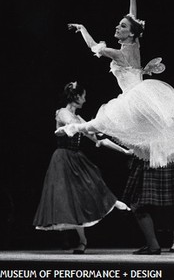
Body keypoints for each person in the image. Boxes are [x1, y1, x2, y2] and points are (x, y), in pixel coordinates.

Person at [57, 0, 174, 167]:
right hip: (143, 92)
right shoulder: (135, 45)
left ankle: (75, 127)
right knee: (168, 110)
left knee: (102, 122)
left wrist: (83, 28)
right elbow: (132, 18)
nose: (118, 27)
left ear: (131, 33)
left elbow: (93, 46)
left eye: (122, 26)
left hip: (133, 98)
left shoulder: (118, 54)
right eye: (119, 24)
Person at [33, 82, 131, 254]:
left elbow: (98, 140)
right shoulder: (63, 113)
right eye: (83, 96)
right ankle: (84, 239)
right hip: (63, 158)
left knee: (89, 185)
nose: (85, 100)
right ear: (76, 97)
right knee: (70, 197)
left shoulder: (78, 119)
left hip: (76, 157)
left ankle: (110, 205)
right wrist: (90, 126)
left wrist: (125, 150)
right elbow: (72, 126)